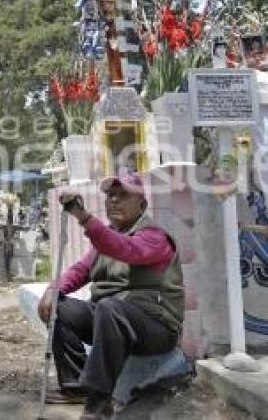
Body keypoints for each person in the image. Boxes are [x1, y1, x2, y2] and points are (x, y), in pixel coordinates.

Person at [38, 173, 184, 419]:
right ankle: (75, 387)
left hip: (155, 327)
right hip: (112, 320)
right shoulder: (105, 239)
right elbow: (79, 271)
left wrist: (84, 218)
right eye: (111, 196)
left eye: (123, 195)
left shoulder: (155, 237)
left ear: (142, 205)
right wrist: (54, 290)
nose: (114, 201)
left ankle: (98, 402)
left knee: (109, 307)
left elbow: (125, 249)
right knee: (59, 307)